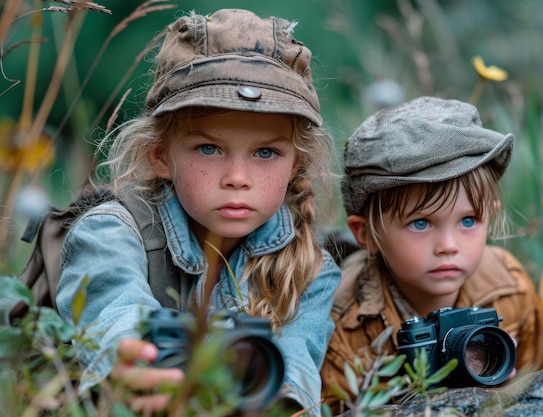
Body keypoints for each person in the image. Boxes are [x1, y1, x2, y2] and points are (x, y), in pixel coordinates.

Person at [55, 9, 340, 416]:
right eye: (209, 148)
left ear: (295, 165)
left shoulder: (311, 268)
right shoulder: (110, 233)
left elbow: (294, 374)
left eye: (265, 153)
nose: (237, 178)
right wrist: (135, 365)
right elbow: (115, 317)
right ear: (160, 157)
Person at [320, 96, 543, 414]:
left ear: (490, 217)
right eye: (420, 223)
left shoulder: (508, 285)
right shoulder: (342, 324)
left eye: (468, 221)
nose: (448, 245)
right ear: (366, 235)